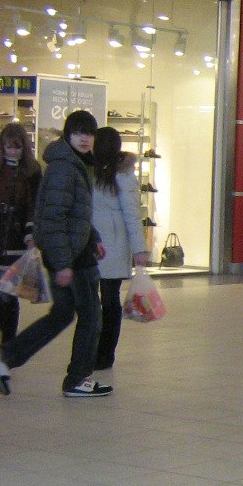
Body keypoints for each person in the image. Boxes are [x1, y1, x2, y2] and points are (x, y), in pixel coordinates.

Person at [0, 110, 110, 398]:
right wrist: (64, 263)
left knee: (63, 314)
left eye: (89, 133)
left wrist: (93, 237)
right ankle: (77, 379)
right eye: (78, 133)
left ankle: (5, 356)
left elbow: (74, 214)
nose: (84, 138)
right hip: (72, 256)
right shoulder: (65, 168)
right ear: (68, 135)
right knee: (91, 315)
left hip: (72, 250)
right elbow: (52, 218)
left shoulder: (75, 164)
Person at [91, 129, 149, 371]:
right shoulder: (92, 170)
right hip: (96, 242)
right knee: (99, 300)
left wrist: (139, 249)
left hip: (111, 243)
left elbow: (132, 214)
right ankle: (98, 352)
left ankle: (104, 353)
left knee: (108, 299)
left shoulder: (121, 175)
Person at [0, 123, 43, 342]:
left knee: (7, 290)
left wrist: (30, 233)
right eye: (9, 147)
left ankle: (8, 341)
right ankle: (9, 339)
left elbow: (34, 204)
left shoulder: (32, 170)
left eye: (17, 147)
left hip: (16, 235)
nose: (13, 151)